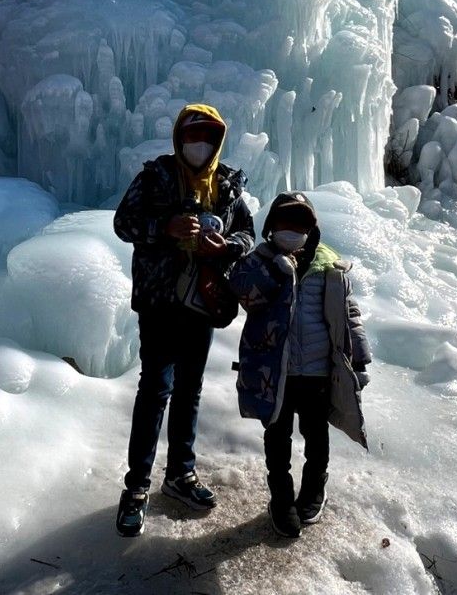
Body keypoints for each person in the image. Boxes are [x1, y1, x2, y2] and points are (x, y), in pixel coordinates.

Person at [113, 103, 255, 538]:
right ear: (179, 139)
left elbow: (248, 236)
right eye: (193, 137)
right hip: (160, 300)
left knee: (189, 389)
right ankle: (136, 487)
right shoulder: (154, 177)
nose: (201, 145)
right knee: (156, 388)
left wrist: (225, 246)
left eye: (209, 138)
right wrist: (165, 228)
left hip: (204, 300)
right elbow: (124, 223)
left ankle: (180, 474)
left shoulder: (228, 185)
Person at [228, 191, 371, 538]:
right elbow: (242, 292)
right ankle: (280, 498)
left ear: (312, 229)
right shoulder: (258, 261)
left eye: (300, 223)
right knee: (277, 437)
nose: (292, 230)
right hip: (275, 372)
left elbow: (348, 313)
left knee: (316, 435)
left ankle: (313, 490)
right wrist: (274, 272)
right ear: (271, 227)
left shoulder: (329, 267)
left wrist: (360, 358)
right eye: (285, 222)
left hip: (317, 370)